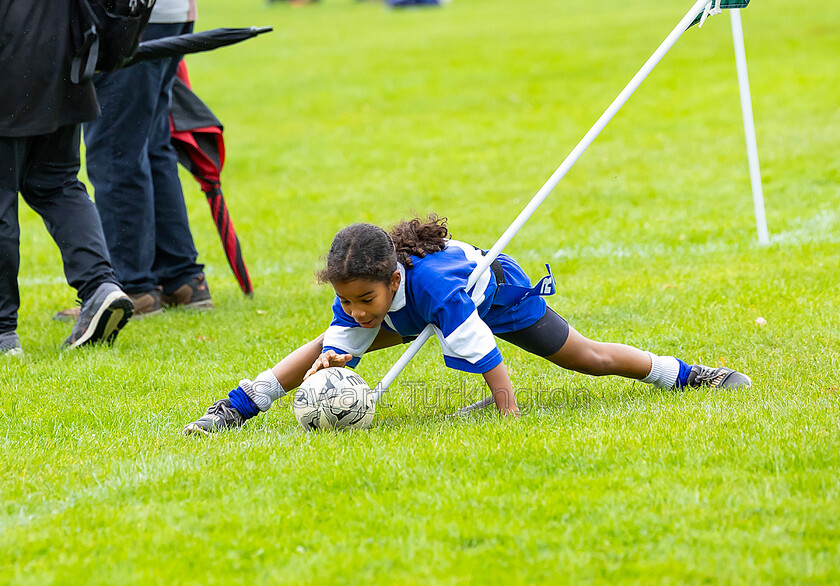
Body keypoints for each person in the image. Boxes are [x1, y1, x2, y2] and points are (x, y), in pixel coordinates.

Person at [183, 214, 750, 433]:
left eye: (363, 299)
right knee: (314, 348)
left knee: (590, 360)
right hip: (414, 310)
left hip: (495, 295)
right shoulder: (363, 297)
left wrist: (506, 411)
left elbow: (481, 347)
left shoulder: (432, 288)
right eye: (347, 300)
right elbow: (340, 340)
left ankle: (689, 374)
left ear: (391, 278)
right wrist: (335, 358)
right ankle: (237, 407)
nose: (354, 310)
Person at [55, 0, 213, 323]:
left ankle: (132, 286)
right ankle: (181, 278)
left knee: (116, 152)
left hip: (128, 16)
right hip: (163, 14)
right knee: (152, 145)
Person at [0, 1, 135, 356]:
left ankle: (2, 331)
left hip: (14, 58)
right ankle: (99, 286)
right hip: (63, 57)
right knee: (56, 184)